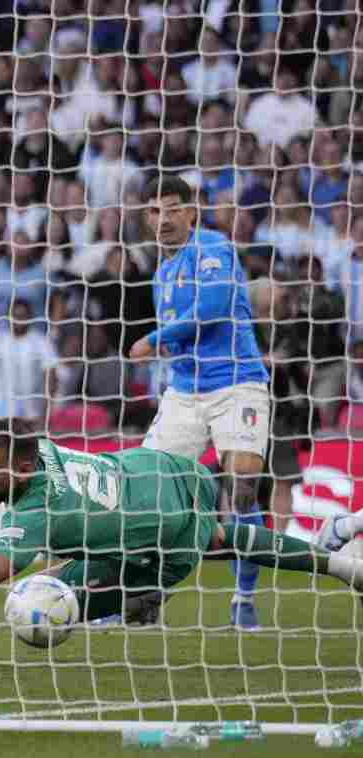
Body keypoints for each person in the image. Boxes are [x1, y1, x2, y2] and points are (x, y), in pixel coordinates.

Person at [0, 420, 363, 631]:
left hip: (164, 536)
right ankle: (343, 562)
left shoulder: (36, 512)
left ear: (21, 470)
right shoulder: (32, 453)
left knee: (39, 602)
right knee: (223, 537)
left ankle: (143, 593)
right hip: (158, 468)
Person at [127, 173, 272, 630]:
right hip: (186, 391)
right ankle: (144, 596)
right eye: (155, 210)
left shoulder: (213, 249)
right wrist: (165, 347)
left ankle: (243, 598)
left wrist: (155, 337)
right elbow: (179, 340)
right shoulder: (161, 272)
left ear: (192, 212)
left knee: (243, 483)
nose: (163, 218)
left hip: (236, 382)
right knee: (147, 490)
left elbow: (211, 309)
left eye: (172, 208)